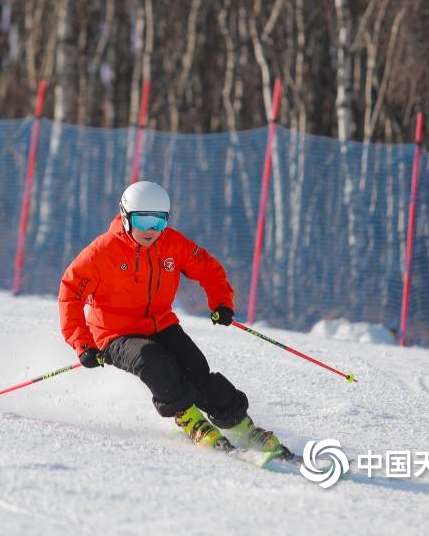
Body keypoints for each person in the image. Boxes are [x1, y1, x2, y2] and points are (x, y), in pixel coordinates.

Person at [58, 180, 286, 456]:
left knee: (196, 368)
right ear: (126, 216)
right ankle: (188, 418)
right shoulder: (102, 252)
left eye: (159, 221)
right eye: (143, 221)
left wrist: (221, 302)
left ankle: (240, 425)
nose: (151, 230)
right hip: (114, 333)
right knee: (152, 360)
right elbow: (70, 293)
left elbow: (209, 269)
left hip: (160, 323)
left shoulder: (171, 243)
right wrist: (83, 345)